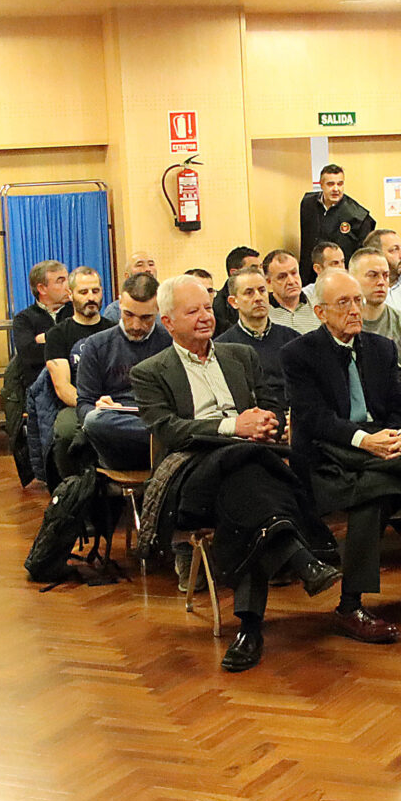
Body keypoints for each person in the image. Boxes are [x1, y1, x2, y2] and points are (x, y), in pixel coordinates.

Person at [132, 276, 341, 672]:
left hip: (246, 474)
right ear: (167, 322)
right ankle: (304, 555)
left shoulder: (240, 355)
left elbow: (272, 405)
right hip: (191, 472)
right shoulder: (150, 371)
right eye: (191, 311)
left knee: (246, 493)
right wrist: (234, 428)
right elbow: (170, 431)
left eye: (207, 308)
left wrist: (266, 422)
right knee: (246, 462)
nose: (204, 317)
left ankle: (249, 628)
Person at [283, 269, 401, 638]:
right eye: (343, 303)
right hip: (331, 458)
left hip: (387, 452)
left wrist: (399, 437)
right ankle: (350, 607)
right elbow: (315, 419)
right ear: (319, 312)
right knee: (374, 494)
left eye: (357, 301)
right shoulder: (298, 355)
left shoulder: (381, 348)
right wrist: (367, 441)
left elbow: (400, 405)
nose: (354, 310)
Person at [73, 271, 171, 469]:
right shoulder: (96, 345)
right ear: (119, 304)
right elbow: (83, 405)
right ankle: (164, 437)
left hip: (157, 416)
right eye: (128, 315)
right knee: (93, 420)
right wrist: (99, 406)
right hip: (117, 431)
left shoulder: (171, 342)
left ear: (159, 310)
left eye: (146, 318)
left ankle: (164, 436)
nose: (136, 325)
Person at [34, 267, 114, 484]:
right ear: (70, 295)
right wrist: (92, 406)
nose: (91, 298)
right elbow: (63, 388)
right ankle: (72, 490)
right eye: (83, 292)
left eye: (95, 291)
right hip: (75, 404)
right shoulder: (58, 335)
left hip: (115, 402)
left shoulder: (115, 330)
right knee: (67, 432)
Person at [6, 260, 72, 485]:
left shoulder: (75, 311)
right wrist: (62, 338)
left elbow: (83, 344)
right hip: (39, 387)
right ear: (42, 288)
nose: (68, 285)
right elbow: (29, 355)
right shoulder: (24, 319)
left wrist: (45, 338)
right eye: (60, 280)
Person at [215, 266, 300, 409]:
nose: (258, 298)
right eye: (249, 293)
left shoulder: (293, 339)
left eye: (262, 291)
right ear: (233, 302)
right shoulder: (222, 347)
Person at [348, 244, 401, 395]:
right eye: (373, 275)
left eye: (385, 275)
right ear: (352, 278)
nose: (381, 282)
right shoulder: (342, 325)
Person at [298, 164, 374, 282]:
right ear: (321, 185)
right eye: (330, 184)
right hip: (310, 276)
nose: (336, 189)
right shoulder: (308, 204)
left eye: (340, 184)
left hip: (342, 279)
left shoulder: (358, 216)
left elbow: (363, 256)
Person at [263, 249, 321, 333]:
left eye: (294, 273)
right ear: (268, 282)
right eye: (282, 277)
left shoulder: (317, 302)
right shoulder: (264, 312)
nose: (291, 281)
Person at [212, 245, 260, 332]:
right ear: (234, 272)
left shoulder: (266, 297)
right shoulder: (217, 307)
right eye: (253, 268)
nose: (260, 273)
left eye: (260, 267)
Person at [102, 249, 157, 322]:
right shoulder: (115, 311)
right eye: (139, 265)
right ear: (127, 276)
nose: (148, 269)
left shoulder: (167, 306)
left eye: (151, 264)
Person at [302, 241, 346, 305]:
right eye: (335, 263)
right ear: (317, 268)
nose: (341, 267)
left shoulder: (353, 291)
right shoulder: (306, 297)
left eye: (342, 262)